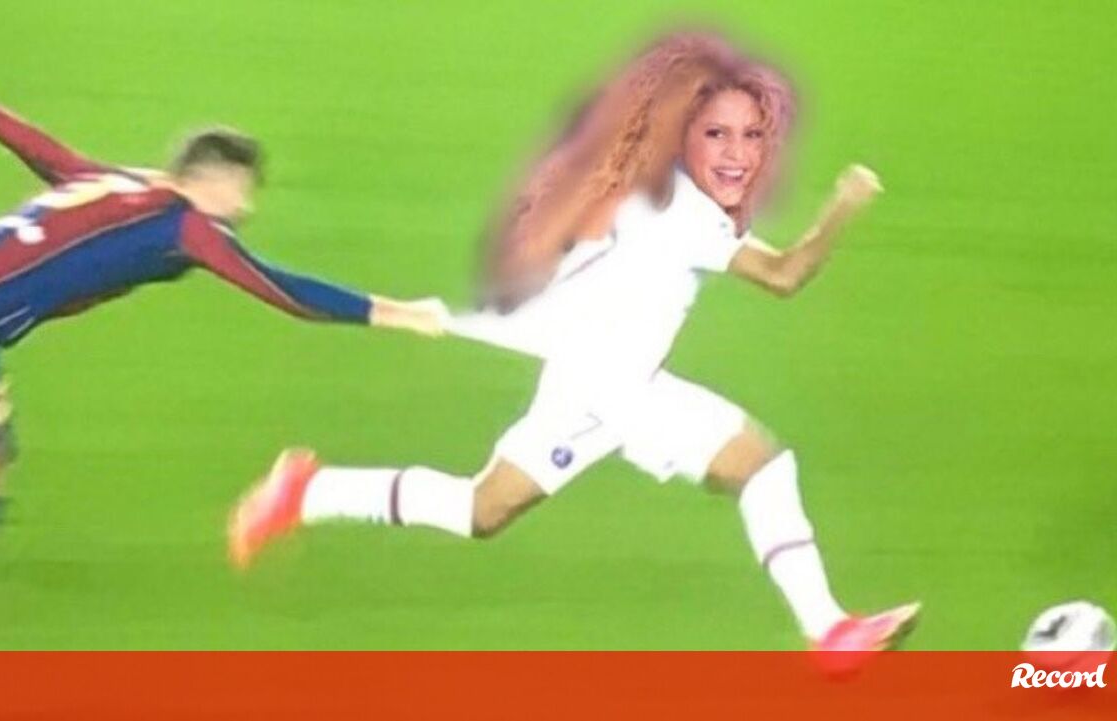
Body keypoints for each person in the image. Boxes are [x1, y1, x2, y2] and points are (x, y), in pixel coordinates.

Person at [228, 33, 918, 660]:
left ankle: (309, 492)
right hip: (618, 390)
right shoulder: (683, 211)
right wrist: (843, 206)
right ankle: (829, 628)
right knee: (762, 467)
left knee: (482, 509)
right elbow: (784, 275)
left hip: (584, 379)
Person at [0, 42, 447, 629]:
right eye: (243, 190)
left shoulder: (121, 184)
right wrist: (398, 312)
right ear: (215, 180)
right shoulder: (185, 226)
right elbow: (283, 290)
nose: (244, 208)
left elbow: (47, 152)